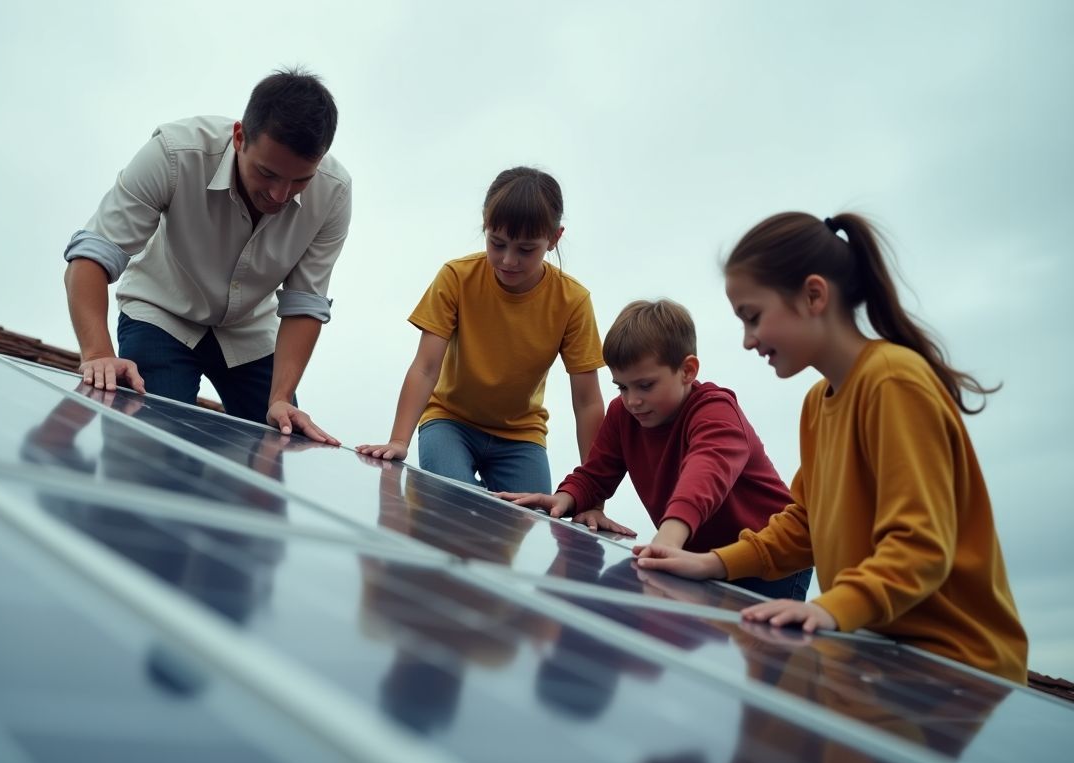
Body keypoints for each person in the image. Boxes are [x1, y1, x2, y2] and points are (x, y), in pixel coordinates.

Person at [634, 212, 1028, 683]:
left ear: (814, 295)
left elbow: (921, 545)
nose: (747, 340)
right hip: (882, 655)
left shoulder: (892, 381)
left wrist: (831, 608)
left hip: (958, 672)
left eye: (753, 317)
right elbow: (804, 525)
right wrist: (713, 563)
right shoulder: (817, 404)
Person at [62, 67, 350, 443]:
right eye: (267, 173)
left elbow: (304, 303)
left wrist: (280, 397)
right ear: (239, 136)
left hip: (251, 330)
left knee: (276, 452)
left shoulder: (334, 194)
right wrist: (97, 351)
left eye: (300, 180)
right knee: (148, 446)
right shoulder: (173, 154)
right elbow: (92, 254)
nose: (281, 195)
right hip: (163, 314)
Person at [502, 299, 812, 600]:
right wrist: (565, 498)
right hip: (696, 558)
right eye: (622, 387)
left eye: (645, 385)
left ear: (687, 370)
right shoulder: (624, 415)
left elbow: (705, 474)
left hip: (770, 559)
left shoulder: (715, 411)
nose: (632, 400)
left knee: (759, 645)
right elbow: (596, 474)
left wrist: (668, 537)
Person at [356, 167, 605, 495]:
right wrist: (399, 440)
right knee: (453, 498)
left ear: (553, 239)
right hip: (450, 421)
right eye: (497, 243)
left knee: (528, 518)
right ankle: (422, 517)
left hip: (521, 437)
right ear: (485, 226)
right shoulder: (457, 278)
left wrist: (593, 497)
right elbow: (426, 366)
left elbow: (587, 402)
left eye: (525, 249)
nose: (508, 260)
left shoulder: (572, 301)